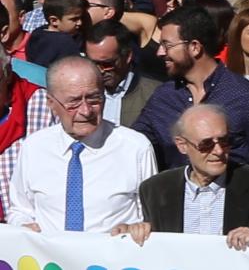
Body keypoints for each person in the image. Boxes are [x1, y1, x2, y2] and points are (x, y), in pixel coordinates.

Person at [9, 56, 158, 232]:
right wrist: (24, 227)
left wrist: (134, 229)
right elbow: (20, 210)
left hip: (112, 257)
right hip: (52, 258)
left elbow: (152, 217)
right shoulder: (34, 148)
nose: (86, 111)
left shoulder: (135, 148)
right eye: (73, 102)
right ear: (51, 103)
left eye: (94, 99)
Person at [134, 3, 249, 171]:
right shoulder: (163, 97)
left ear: (195, 47)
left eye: (167, 45)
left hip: (234, 194)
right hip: (178, 195)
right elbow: (135, 143)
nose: (160, 52)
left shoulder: (246, 96)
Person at [125, 102, 249, 243]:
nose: (218, 151)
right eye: (206, 144)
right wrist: (129, 234)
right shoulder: (155, 190)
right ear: (182, 145)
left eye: (224, 141)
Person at [83, 19, 158, 126]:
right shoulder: (79, 91)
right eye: (93, 63)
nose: (100, 70)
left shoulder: (153, 94)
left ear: (127, 56)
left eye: (107, 64)